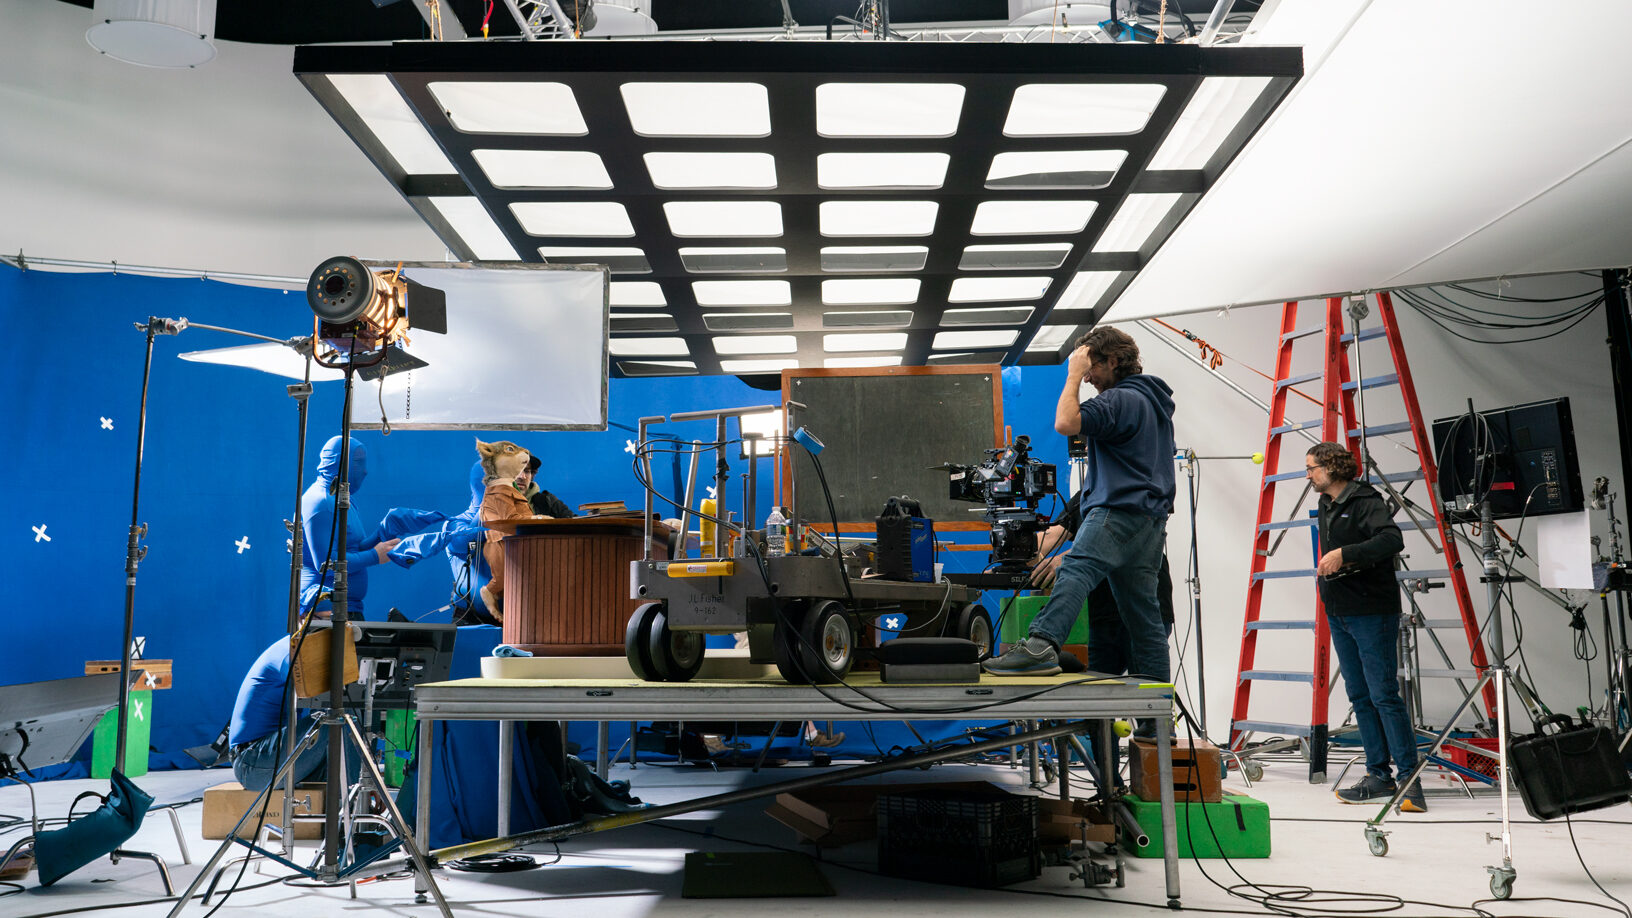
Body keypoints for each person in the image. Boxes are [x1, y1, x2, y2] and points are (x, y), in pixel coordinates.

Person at [985, 326, 1176, 682]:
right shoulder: (1153, 404)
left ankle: (1041, 645)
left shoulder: (1120, 400)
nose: (1087, 377)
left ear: (1114, 360)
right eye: (1083, 370)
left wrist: (1071, 374)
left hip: (1116, 512)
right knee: (1142, 615)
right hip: (1149, 523)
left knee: (1074, 571)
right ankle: (1157, 705)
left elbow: (1065, 422)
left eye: (1091, 367)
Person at [1305, 442, 1423, 811]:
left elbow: (1391, 539)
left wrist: (1345, 554)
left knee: (1383, 694)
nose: (1308, 475)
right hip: (1340, 611)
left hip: (1371, 612)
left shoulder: (1365, 500)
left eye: (1311, 468)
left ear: (1331, 468)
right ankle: (1379, 776)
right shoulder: (1327, 503)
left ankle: (1410, 782)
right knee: (1359, 696)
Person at [226, 635, 359, 793]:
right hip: (251, 764)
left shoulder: (307, 648)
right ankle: (356, 795)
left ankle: (359, 791)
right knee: (337, 716)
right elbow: (325, 699)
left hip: (272, 758)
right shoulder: (289, 652)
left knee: (357, 711)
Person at [300, 436, 400, 620]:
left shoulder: (343, 498)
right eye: (358, 462)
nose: (365, 471)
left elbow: (353, 548)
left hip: (345, 609)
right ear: (339, 463)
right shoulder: (321, 503)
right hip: (326, 613)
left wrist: (383, 532)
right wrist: (375, 556)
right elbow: (326, 564)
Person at [519, 454, 575, 520]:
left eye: (526, 471)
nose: (522, 476)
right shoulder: (507, 503)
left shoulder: (547, 500)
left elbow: (576, 522)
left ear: (532, 475)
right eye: (516, 471)